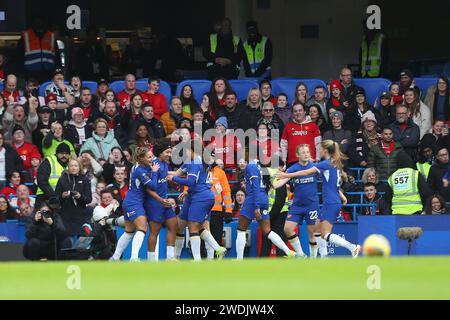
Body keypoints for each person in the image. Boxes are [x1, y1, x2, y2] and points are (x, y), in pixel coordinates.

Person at [277, 140, 361, 258]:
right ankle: (323, 257)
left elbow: (306, 172)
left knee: (325, 234)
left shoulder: (324, 164)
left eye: (320, 149)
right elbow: (333, 183)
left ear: (325, 151)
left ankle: (352, 247)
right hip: (333, 201)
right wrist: (341, 195)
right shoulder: (334, 163)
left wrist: (286, 175)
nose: (318, 151)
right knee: (317, 231)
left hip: (330, 203)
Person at [169, 140, 227, 261]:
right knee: (183, 225)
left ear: (192, 150)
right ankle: (217, 249)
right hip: (195, 196)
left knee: (193, 227)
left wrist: (173, 178)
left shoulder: (196, 162)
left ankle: (197, 260)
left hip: (201, 197)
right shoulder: (195, 161)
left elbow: (190, 181)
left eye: (186, 150)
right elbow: (178, 173)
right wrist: (163, 173)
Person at [232, 150, 295, 260]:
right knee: (267, 231)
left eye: (242, 156)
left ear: (248, 154)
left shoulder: (251, 166)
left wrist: (256, 206)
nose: (241, 160)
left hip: (253, 199)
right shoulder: (259, 166)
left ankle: (239, 259)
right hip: (263, 198)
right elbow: (267, 184)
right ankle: (288, 251)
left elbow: (255, 186)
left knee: (241, 229)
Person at [274, 145, 324, 258]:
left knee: (311, 233)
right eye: (303, 152)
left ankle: (313, 258)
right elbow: (281, 181)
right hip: (297, 206)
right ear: (297, 155)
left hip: (312, 205)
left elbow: (326, 178)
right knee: (287, 229)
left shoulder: (314, 167)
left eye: (307, 152)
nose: (306, 154)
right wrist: (272, 185)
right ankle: (301, 255)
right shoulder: (293, 168)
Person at [110, 147, 158, 262]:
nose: (152, 159)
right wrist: (155, 172)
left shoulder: (139, 166)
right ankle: (134, 258)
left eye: (152, 156)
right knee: (142, 228)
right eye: (149, 157)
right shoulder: (139, 171)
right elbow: (153, 186)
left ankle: (115, 258)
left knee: (129, 232)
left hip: (130, 201)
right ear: (141, 158)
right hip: (134, 203)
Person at [145, 140, 178, 261]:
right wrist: (160, 200)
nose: (169, 154)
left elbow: (165, 177)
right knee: (155, 231)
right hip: (155, 203)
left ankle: (170, 258)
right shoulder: (154, 165)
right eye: (167, 152)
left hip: (164, 201)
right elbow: (148, 189)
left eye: (170, 152)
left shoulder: (164, 163)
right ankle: (151, 260)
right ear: (159, 153)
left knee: (174, 225)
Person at [55, 159, 92, 237]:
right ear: (68, 167)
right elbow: (56, 198)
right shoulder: (62, 179)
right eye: (71, 166)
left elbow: (89, 199)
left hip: (80, 214)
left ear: (79, 167)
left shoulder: (85, 180)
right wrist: (62, 196)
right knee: (68, 239)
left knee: (80, 240)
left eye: (76, 166)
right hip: (65, 214)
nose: (73, 168)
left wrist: (80, 196)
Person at [19, 17, 62, 82]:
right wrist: (21, 72)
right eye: (37, 20)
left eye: (41, 20)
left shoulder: (51, 36)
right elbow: (19, 56)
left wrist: (58, 70)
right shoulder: (26, 36)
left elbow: (57, 55)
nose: (39, 22)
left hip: (48, 72)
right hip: (30, 72)